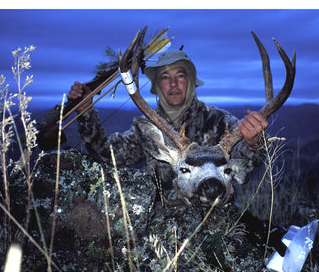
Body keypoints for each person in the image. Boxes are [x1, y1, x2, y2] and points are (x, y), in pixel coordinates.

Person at [68, 50, 269, 203]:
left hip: (213, 215)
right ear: (157, 86)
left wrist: (255, 142)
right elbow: (108, 155)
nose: (173, 84)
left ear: (190, 82)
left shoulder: (219, 122)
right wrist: (86, 113)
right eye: (165, 77)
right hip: (161, 219)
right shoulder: (148, 129)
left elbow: (245, 165)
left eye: (180, 75)